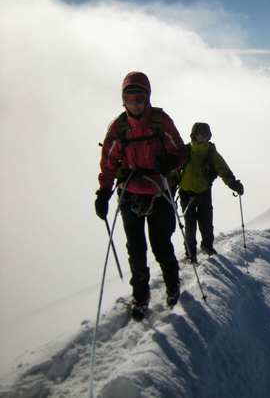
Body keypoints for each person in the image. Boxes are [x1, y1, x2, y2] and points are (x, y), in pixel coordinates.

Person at [94, 71, 185, 320]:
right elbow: (109, 163)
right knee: (136, 250)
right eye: (129, 98)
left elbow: (179, 150)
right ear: (122, 99)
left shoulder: (160, 122)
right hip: (131, 194)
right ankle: (141, 298)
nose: (134, 104)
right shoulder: (119, 127)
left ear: (148, 98)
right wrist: (103, 192)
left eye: (139, 98)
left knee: (161, 245)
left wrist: (170, 161)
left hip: (158, 192)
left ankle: (173, 287)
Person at [179, 122, 244, 263]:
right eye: (199, 134)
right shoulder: (185, 151)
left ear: (208, 136)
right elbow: (174, 170)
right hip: (186, 193)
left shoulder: (211, 153)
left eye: (205, 134)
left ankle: (207, 246)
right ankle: (191, 253)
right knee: (190, 226)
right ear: (194, 135)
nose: (202, 137)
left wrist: (233, 183)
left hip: (203, 192)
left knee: (206, 223)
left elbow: (223, 169)